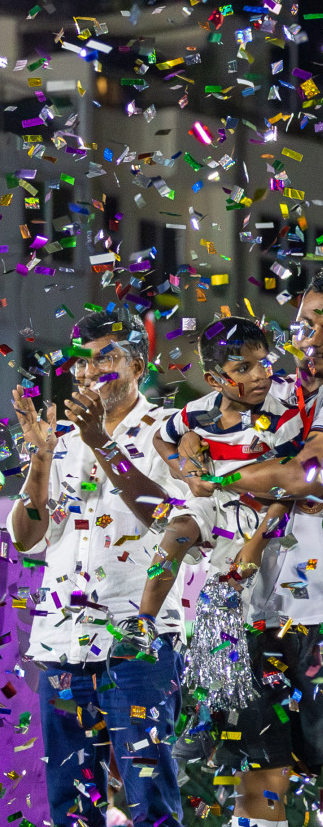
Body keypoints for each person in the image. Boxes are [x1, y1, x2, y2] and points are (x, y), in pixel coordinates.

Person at [186, 269, 323, 825]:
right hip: (258, 613)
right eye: (305, 324)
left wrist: (223, 478)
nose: (312, 337)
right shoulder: (277, 392)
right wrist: (187, 442)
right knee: (258, 776)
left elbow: (307, 476)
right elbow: (192, 420)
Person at [10, 311, 187, 827]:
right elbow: (27, 538)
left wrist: (100, 442)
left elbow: (167, 518)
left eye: (103, 359)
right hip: (65, 642)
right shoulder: (61, 441)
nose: (87, 374)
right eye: (80, 363)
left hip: (138, 639)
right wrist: (41, 460)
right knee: (72, 805)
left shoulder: (170, 431)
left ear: (139, 363)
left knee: (150, 796)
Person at [141, 317, 303, 628]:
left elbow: (290, 490)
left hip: (260, 513)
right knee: (177, 530)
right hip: (214, 500)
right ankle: (143, 621)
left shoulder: (282, 417)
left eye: (262, 363)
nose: (259, 376)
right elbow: (161, 438)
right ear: (214, 380)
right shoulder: (197, 412)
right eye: (243, 369)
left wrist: (257, 542)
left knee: (244, 611)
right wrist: (187, 471)